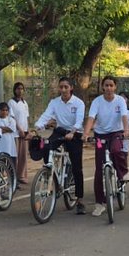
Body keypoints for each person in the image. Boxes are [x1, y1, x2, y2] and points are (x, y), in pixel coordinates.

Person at [34, 76, 87, 214]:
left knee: (77, 167)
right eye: (61, 87)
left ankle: (80, 200)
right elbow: (46, 115)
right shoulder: (54, 102)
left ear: (71, 88)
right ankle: (48, 171)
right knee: (46, 145)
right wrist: (38, 127)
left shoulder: (78, 103)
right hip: (59, 131)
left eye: (66, 87)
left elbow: (79, 120)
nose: (63, 89)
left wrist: (73, 131)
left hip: (74, 133)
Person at [83, 76, 129, 217]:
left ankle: (123, 173)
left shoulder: (120, 100)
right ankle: (99, 203)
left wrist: (126, 130)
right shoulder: (97, 101)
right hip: (100, 135)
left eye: (111, 85)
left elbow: (124, 117)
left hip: (116, 132)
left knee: (116, 150)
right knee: (99, 169)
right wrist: (86, 133)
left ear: (115, 87)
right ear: (103, 87)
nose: (109, 88)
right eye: (106, 85)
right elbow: (91, 118)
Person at [9, 82, 32, 184]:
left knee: (23, 155)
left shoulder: (24, 103)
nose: (20, 90)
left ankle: (21, 175)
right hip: (16, 133)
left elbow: (27, 117)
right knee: (16, 156)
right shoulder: (11, 102)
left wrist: (29, 130)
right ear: (14, 90)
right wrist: (19, 129)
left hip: (25, 132)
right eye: (18, 88)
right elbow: (12, 117)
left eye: (22, 89)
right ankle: (13, 177)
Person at [0, 101, 19, 172]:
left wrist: (1, 128)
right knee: (0, 164)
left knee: (11, 164)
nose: (4, 112)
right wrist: (5, 129)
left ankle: (13, 181)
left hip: (10, 146)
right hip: (0, 145)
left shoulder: (11, 120)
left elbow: (12, 129)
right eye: (2, 110)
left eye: (6, 110)